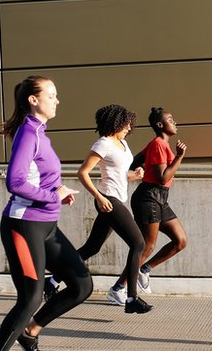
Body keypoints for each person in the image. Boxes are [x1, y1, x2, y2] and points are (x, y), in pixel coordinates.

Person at [0, 76, 93, 351]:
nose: (57, 100)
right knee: (29, 298)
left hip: (47, 226)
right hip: (23, 225)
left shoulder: (41, 134)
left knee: (81, 286)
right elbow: (15, 182)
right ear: (33, 99)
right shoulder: (28, 133)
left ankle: (30, 332)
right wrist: (52, 195)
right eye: (52, 95)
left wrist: (58, 190)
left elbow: (40, 178)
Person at [45, 105, 145, 308]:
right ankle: (131, 297)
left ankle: (52, 281)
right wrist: (99, 197)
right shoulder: (103, 144)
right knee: (139, 244)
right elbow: (83, 172)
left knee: (92, 247)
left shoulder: (123, 144)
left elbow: (118, 173)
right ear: (115, 122)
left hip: (116, 199)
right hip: (108, 200)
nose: (129, 126)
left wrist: (135, 175)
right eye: (125, 122)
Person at [114, 107, 189, 313]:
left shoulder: (157, 145)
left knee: (180, 240)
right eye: (171, 120)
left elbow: (133, 161)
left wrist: (138, 170)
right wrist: (180, 157)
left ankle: (144, 270)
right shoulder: (158, 144)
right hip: (149, 197)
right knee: (146, 245)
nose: (175, 123)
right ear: (159, 125)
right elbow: (163, 177)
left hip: (160, 199)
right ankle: (118, 288)